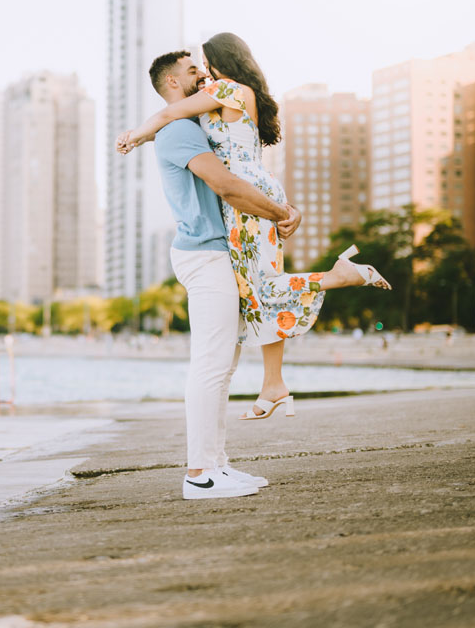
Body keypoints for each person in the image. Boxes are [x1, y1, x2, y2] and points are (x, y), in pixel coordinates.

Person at [118, 35, 390, 425]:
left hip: (243, 196)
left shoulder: (227, 89)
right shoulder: (240, 92)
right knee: (255, 288)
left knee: (260, 287)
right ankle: (274, 385)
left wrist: (133, 136)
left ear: (221, 62)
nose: (205, 72)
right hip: (256, 188)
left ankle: (337, 277)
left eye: (206, 64)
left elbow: (165, 116)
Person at [127, 51, 302, 499]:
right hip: (205, 256)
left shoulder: (198, 124)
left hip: (221, 254)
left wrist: (281, 211)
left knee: (223, 366)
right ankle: (199, 474)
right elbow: (225, 185)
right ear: (170, 83)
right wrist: (281, 212)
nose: (202, 75)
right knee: (210, 364)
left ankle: (218, 466)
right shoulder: (180, 130)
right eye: (192, 71)